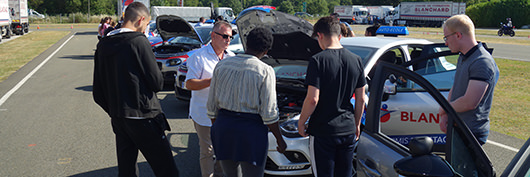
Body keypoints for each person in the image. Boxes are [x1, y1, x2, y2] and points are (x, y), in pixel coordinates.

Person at [92, 2, 179, 177]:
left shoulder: (103, 44)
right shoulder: (139, 41)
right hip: (144, 116)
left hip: (119, 117)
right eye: (147, 24)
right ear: (141, 20)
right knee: (166, 169)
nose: (146, 28)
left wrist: (114, 110)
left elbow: (98, 92)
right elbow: (156, 83)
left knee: (127, 169)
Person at [207, 27, 287, 177]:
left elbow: (211, 106)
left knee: (230, 175)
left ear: (246, 44)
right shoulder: (265, 71)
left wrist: (218, 128)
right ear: (266, 51)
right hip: (251, 134)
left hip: (223, 129)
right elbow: (269, 113)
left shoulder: (222, 65)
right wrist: (280, 139)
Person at [297, 16, 366, 177]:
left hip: (323, 131)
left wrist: (301, 122)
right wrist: (356, 124)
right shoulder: (356, 60)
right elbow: (361, 99)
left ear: (320, 35)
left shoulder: (317, 60)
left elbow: (313, 99)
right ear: (339, 36)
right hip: (347, 129)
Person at [439, 14, 500, 145]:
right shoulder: (463, 56)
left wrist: (444, 109)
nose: (445, 42)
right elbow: (455, 87)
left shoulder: (481, 62)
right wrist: (446, 115)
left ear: (458, 35)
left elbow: (469, 102)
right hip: (459, 127)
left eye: (446, 37)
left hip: (471, 133)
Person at [185, 21, 235, 177]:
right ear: (213, 36)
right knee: (207, 151)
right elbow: (189, 84)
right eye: (225, 36)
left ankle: (219, 174)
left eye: (231, 37)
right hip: (204, 113)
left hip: (226, 113)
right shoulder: (199, 57)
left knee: (223, 149)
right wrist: (213, 81)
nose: (228, 40)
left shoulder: (231, 57)